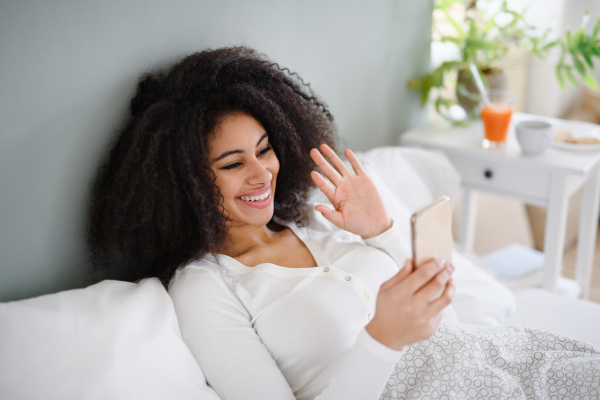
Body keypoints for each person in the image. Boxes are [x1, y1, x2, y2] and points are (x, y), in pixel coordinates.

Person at [89, 47, 600, 400]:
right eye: (232, 163)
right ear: (186, 185)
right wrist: (379, 341)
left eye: (266, 151)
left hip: (496, 359)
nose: (261, 171)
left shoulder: (314, 222)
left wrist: (382, 232)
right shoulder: (204, 288)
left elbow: (437, 303)